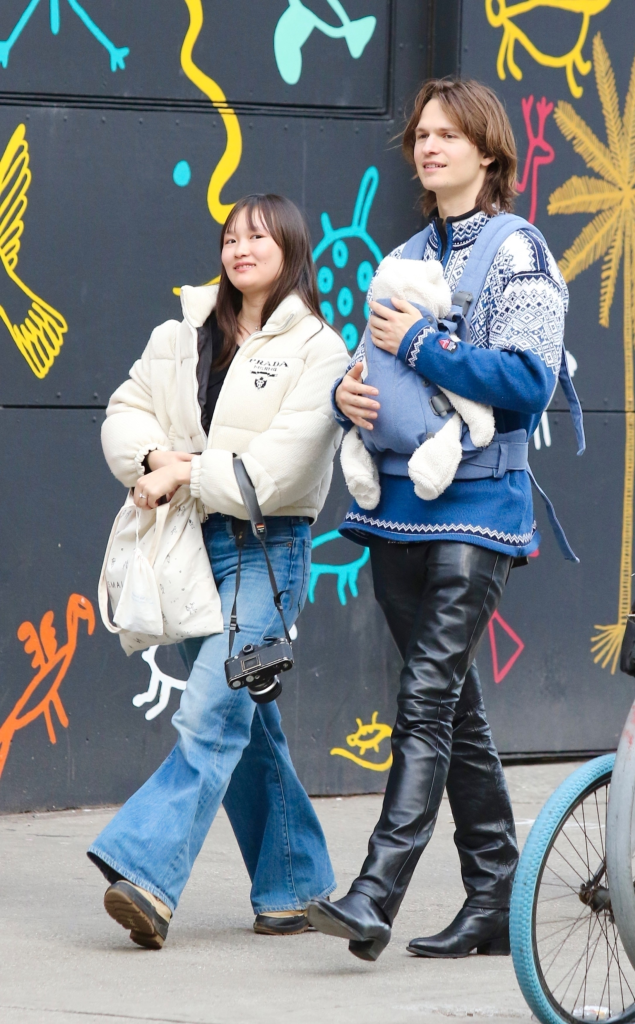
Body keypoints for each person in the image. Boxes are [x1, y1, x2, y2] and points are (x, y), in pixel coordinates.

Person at [307, 77, 574, 961]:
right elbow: (377, 381)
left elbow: (529, 380)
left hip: (479, 511)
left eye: (449, 135)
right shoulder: (405, 252)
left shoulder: (518, 250)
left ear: (488, 153)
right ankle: (497, 894)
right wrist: (351, 394)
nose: (429, 147)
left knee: (424, 697)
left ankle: (376, 891)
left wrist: (419, 344)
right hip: (395, 514)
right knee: (453, 708)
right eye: (422, 134)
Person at [89, 194, 348, 949]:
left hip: (265, 549)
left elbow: (281, 467)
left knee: (211, 712)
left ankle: (145, 872)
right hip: (187, 547)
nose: (241, 248)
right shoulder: (182, 332)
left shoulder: (319, 348)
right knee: (246, 719)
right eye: (231, 237)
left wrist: (186, 472)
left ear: (291, 247)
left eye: (258, 236)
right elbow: (126, 408)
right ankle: (295, 887)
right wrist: (152, 460)